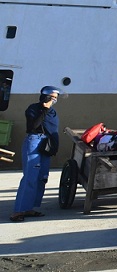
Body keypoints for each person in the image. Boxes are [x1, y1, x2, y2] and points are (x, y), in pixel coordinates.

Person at [10, 86, 61, 222]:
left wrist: (54, 147)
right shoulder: (33, 109)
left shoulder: (53, 113)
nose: (54, 100)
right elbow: (33, 126)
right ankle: (18, 211)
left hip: (46, 145)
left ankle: (29, 208)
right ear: (45, 96)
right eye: (52, 97)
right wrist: (44, 109)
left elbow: (53, 130)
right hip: (34, 141)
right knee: (30, 177)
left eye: (56, 97)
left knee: (42, 177)